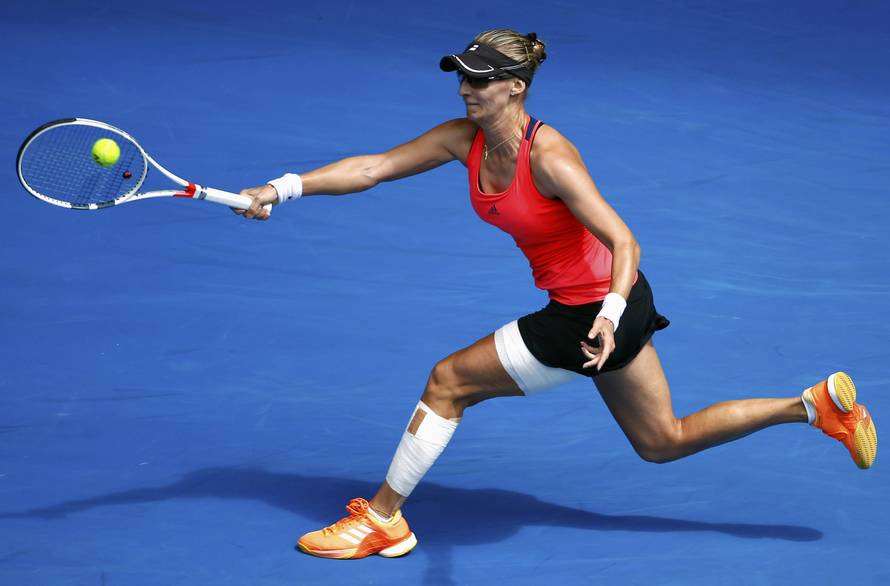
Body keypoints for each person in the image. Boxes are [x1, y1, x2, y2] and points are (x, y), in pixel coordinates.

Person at [235, 29, 878, 559]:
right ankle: (812, 406)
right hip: (614, 308)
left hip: (595, 311)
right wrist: (280, 188)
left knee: (448, 383)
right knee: (663, 440)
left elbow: (626, 242)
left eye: (479, 81)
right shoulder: (464, 140)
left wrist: (607, 318)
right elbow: (372, 167)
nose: (466, 89)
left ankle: (383, 520)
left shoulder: (551, 158)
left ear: (515, 87)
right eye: (462, 78)